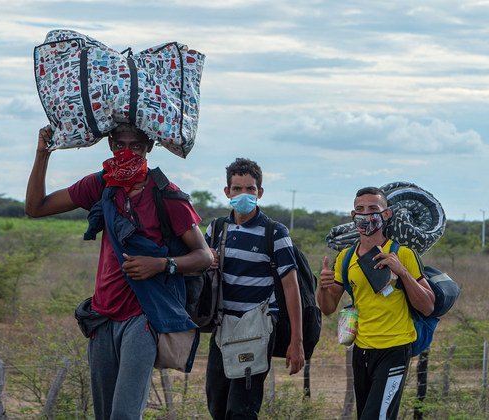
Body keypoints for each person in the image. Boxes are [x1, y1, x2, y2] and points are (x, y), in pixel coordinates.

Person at [26, 124, 212, 419]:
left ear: (149, 146)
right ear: (110, 144)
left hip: (143, 315)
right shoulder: (101, 185)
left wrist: (162, 264)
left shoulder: (166, 195)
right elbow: (36, 207)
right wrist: (42, 154)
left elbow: (204, 255)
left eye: (136, 145)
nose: (127, 151)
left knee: (124, 415)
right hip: (102, 315)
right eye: (120, 144)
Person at [317, 186, 435, 420]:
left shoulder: (404, 254)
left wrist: (402, 272)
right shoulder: (346, 257)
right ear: (353, 216)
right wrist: (323, 286)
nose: (366, 215)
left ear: (387, 214)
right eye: (360, 210)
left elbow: (428, 305)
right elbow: (328, 307)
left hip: (395, 349)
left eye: (373, 209)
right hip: (361, 351)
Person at [204, 157, 305, 419]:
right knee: (217, 405)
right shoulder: (216, 229)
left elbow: (291, 287)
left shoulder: (275, 233)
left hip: (257, 328)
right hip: (223, 327)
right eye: (237, 189)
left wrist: (297, 341)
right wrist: (207, 261)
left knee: (241, 409)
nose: (244, 194)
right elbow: (199, 272)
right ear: (227, 192)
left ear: (259, 192)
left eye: (250, 189)